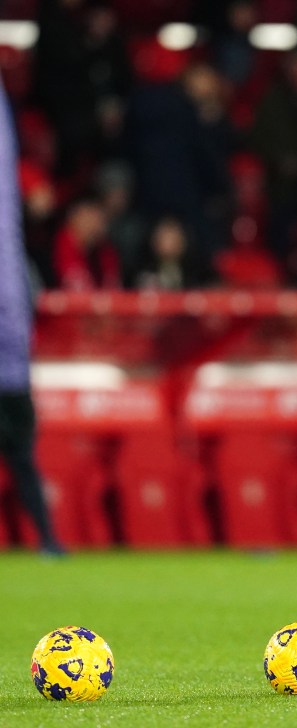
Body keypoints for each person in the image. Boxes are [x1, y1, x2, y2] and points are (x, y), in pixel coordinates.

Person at [0, 73, 64, 555]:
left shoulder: (15, 254)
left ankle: (46, 537)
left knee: (23, 456)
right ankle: (46, 540)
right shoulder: (16, 253)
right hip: (15, 363)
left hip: (15, 368)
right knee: (22, 457)